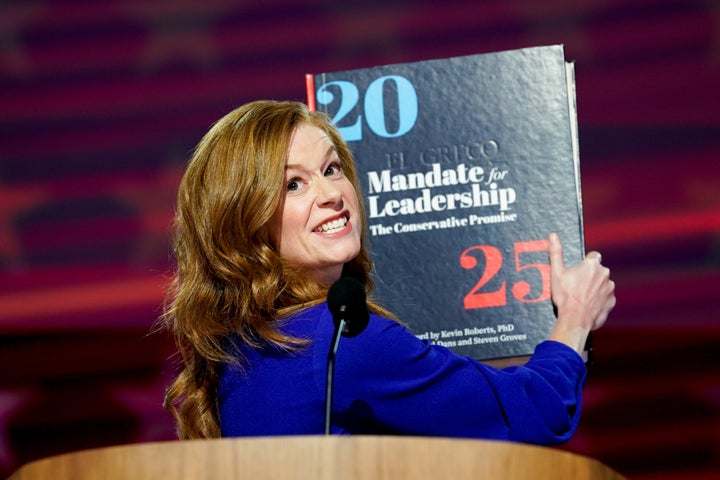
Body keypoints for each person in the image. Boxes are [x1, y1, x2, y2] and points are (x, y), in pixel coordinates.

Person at [161, 100, 616, 444]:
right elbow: (532, 411)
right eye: (293, 184)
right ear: (243, 219)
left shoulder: (241, 348)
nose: (331, 194)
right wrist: (574, 318)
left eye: (332, 169)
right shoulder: (342, 340)